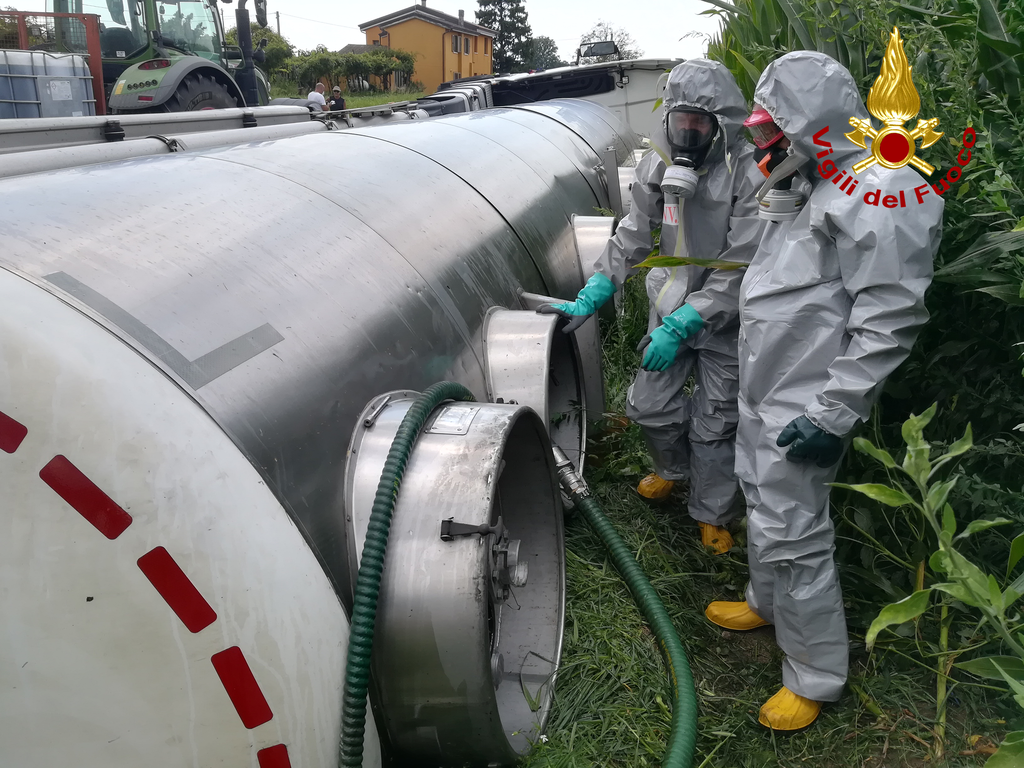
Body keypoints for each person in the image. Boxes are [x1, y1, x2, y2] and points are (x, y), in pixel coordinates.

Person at [705, 51, 943, 730]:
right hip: (767, 386)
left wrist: (835, 411)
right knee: (761, 499)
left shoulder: (881, 189)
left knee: (794, 530)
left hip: (809, 397)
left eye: (770, 131)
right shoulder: (816, 182)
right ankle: (765, 603)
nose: (763, 147)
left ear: (808, 124)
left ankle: (814, 673)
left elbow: (889, 315)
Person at [539, 59, 764, 554]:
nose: (689, 134)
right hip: (669, 302)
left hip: (724, 319)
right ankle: (672, 470)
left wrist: (687, 321)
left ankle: (712, 512)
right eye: (681, 121)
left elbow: (742, 263)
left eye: (700, 124)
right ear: (668, 120)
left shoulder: (747, 173)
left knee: (717, 420)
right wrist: (595, 289)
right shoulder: (657, 165)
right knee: (649, 406)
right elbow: (634, 235)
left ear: (723, 124)